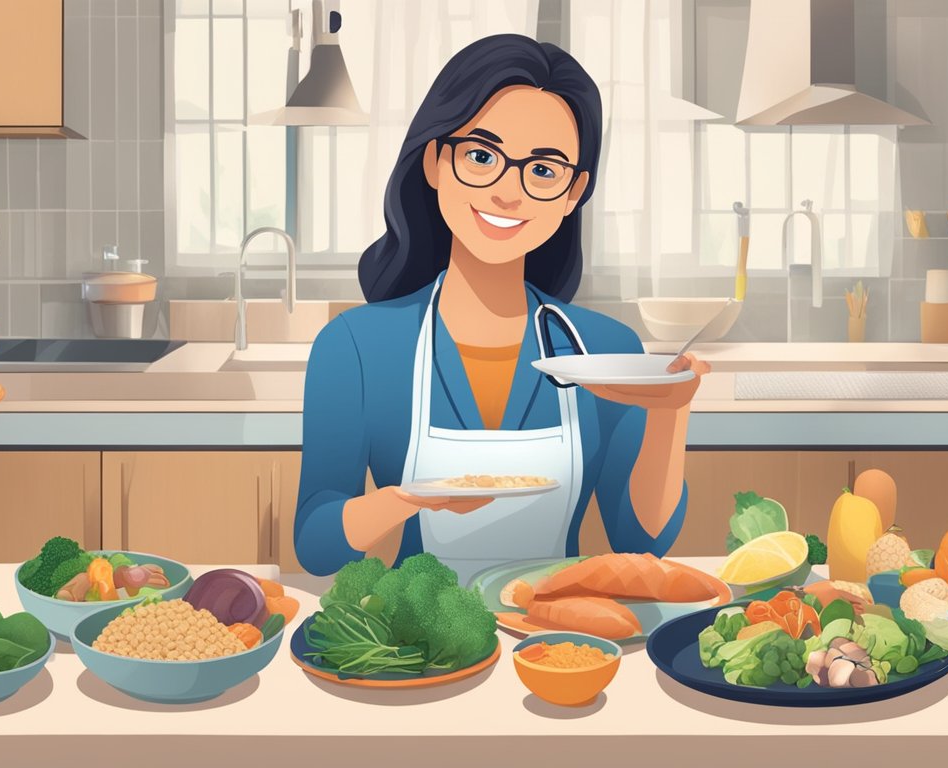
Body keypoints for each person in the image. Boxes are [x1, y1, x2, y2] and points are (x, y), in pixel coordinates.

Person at [294, 34, 710, 582]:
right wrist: (405, 501)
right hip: (421, 643)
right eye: (482, 155)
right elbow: (317, 544)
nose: (507, 193)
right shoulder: (356, 347)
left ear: (573, 193)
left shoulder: (607, 350)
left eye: (542, 170)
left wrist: (671, 411)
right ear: (437, 161)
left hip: (559, 636)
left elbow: (642, 539)